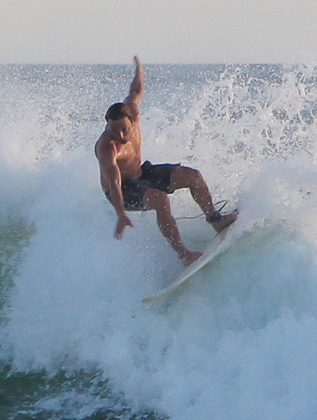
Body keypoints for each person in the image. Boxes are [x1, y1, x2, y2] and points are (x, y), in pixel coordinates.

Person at [96, 56, 237, 264]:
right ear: (107, 125)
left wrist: (139, 70)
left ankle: (216, 220)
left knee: (193, 176)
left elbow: (135, 91)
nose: (120, 135)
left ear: (133, 120)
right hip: (120, 191)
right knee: (160, 199)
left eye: (124, 129)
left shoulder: (132, 111)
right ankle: (184, 254)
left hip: (141, 174)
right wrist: (120, 214)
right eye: (113, 130)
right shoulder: (107, 147)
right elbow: (115, 182)